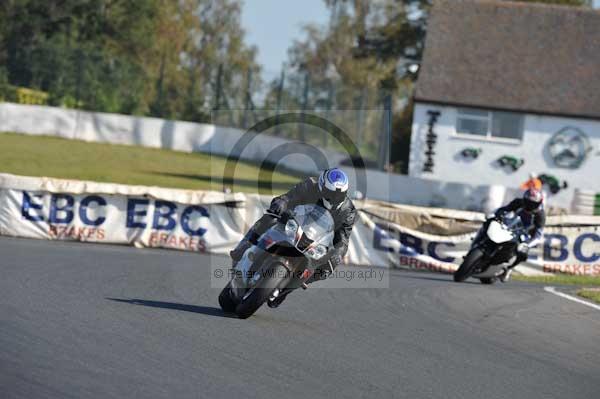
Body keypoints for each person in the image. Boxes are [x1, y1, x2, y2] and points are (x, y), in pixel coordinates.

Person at [229, 168, 357, 307]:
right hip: (293, 223)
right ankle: (244, 245)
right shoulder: (309, 185)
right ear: (321, 186)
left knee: (326, 269)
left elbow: (343, 238)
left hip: (315, 241)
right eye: (330, 193)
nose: (334, 198)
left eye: (339, 195)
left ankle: (287, 288)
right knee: (270, 217)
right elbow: (289, 197)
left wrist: (338, 254)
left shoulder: (348, 210)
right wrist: (281, 203)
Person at [493, 188, 546, 282]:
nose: (529, 206)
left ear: (538, 203)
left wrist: (527, 244)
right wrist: (498, 216)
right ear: (524, 200)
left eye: (533, 204)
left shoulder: (540, 215)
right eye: (528, 202)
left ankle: (509, 268)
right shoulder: (518, 202)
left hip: (525, 234)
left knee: (523, 253)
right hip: (510, 225)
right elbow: (503, 209)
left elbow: (538, 236)